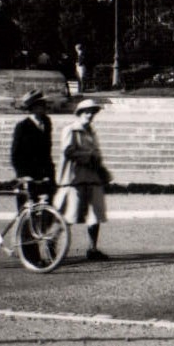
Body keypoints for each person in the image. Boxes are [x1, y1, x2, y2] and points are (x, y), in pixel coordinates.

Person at [54, 99, 111, 260]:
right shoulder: (71, 130)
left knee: (95, 213)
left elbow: (96, 153)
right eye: (87, 111)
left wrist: (101, 168)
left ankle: (92, 248)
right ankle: (52, 243)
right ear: (79, 113)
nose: (90, 115)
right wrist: (89, 157)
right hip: (74, 177)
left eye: (93, 112)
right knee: (70, 213)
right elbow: (68, 151)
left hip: (92, 176)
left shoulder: (91, 132)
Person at [10, 90, 54, 209]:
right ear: (33, 107)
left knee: (47, 211)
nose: (44, 107)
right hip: (28, 174)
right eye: (41, 104)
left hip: (45, 174)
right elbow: (15, 154)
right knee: (28, 212)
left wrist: (49, 172)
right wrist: (23, 175)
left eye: (44, 104)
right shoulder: (22, 126)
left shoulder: (47, 122)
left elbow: (47, 150)